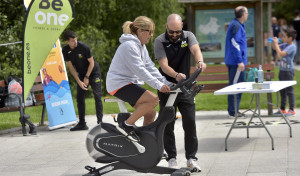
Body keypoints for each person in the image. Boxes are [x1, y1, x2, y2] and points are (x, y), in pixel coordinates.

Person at [106, 16, 171, 142]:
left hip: (128, 83)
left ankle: (145, 141)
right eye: (150, 32)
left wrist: (166, 82)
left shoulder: (141, 46)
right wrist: (158, 86)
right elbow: (140, 70)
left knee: (150, 113)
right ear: (140, 31)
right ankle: (126, 125)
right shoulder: (129, 46)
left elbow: (149, 67)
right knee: (153, 99)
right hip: (119, 84)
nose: (151, 35)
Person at [154, 14, 206, 171]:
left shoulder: (188, 36)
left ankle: (191, 158)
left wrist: (200, 61)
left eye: (177, 31)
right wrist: (175, 75)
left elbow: (195, 49)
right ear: (166, 27)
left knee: (190, 122)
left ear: (182, 26)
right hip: (167, 86)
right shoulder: (160, 41)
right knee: (168, 123)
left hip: (185, 86)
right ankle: (171, 158)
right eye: (171, 32)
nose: (175, 35)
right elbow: (163, 65)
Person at [62, 30, 103, 131]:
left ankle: (100, 123)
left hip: (93, 72)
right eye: (72, 41)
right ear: (67, 42)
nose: (75, 42)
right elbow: (71, 67)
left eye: (75, 39)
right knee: (80, 97)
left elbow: (91, 62)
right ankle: (82, 123)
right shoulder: (65, 50)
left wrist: (87, 77)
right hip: (81, 74)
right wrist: (79, 81)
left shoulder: (83, 47)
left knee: (97, 96)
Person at [224, 6, 248, 119]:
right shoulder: (236, 25)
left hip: (235, 62)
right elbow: (235, 43)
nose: (247, 15)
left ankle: (234, 110)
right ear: (243, 14)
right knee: (236, 86)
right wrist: (240, 61)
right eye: (247, 13)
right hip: (236, 63)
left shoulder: (237, 25)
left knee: (237, 86)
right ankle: (233, 112)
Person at [272, 28, 297, 116]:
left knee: (289, 90)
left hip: (288, 71)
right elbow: (275, 48)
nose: (283, 38)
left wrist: (276, 44)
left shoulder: (292, 47)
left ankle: (291, 109)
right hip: (282, 70)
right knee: (282, 91)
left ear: (290, 38)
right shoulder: (285, 44)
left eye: (284, 37)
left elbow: (281, 54)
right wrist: (274, 42)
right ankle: (282, 109)